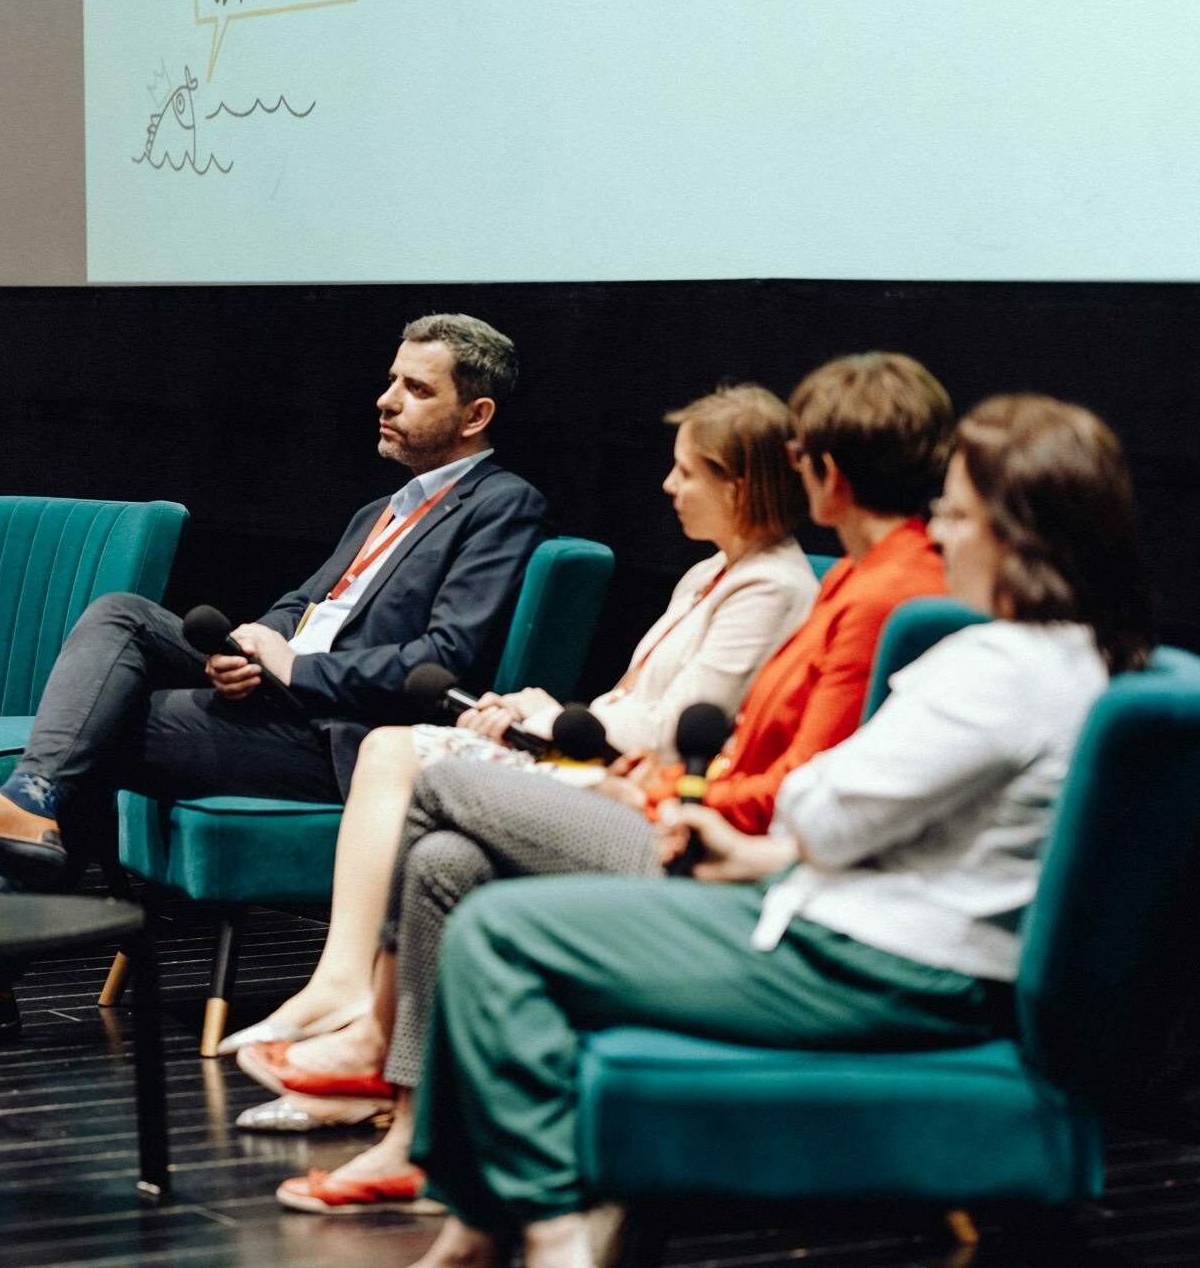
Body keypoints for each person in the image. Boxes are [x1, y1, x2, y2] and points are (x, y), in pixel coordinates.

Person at [399, 394, 1154, 1268]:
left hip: (875, 963)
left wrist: (778, 823)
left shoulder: (997, 667)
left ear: (1019, 530)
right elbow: (878, 820)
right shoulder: (1076, 653)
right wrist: (764, 844)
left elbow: (823, 808)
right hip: (878, 929)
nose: (941, 538)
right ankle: (481, 1226)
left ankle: (551, 1223)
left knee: (497, 930)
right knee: (462, 875)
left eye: (954, 516)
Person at [261, 351, 955, 1212]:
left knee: (427, 773)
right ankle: (416, 1139)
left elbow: (790, 787)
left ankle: (366, 1028)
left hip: (724, 858)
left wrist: (656, 794)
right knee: (442, 861)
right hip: (682, 810)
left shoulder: (884, 591)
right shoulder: (848, 576)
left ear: (828, 471)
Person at [0, 312, 551, 1036]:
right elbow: (303, 603)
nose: (386, 399)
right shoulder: (384, 509)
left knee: (94, 735)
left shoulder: (503, 505)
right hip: (283, 696)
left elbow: (444, 657)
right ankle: (18, 843)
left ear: (476, 415)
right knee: (122, 617)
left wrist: (301, 667)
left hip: (344, 734)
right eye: (390, 380)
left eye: (415, 388)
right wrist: (252, 648)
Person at [221, 383, 816, 1126]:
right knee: (421, 809)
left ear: (741, 483)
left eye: (687, 471)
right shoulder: (709, 572)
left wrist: (549, 721)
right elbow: (630, 703)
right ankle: (378, 1053)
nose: (668, 485)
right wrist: (525, 715)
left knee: (403, 751)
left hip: (642, 788)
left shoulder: (771, 584)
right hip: (601, 758)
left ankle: (353, 1002)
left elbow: (679, 729)